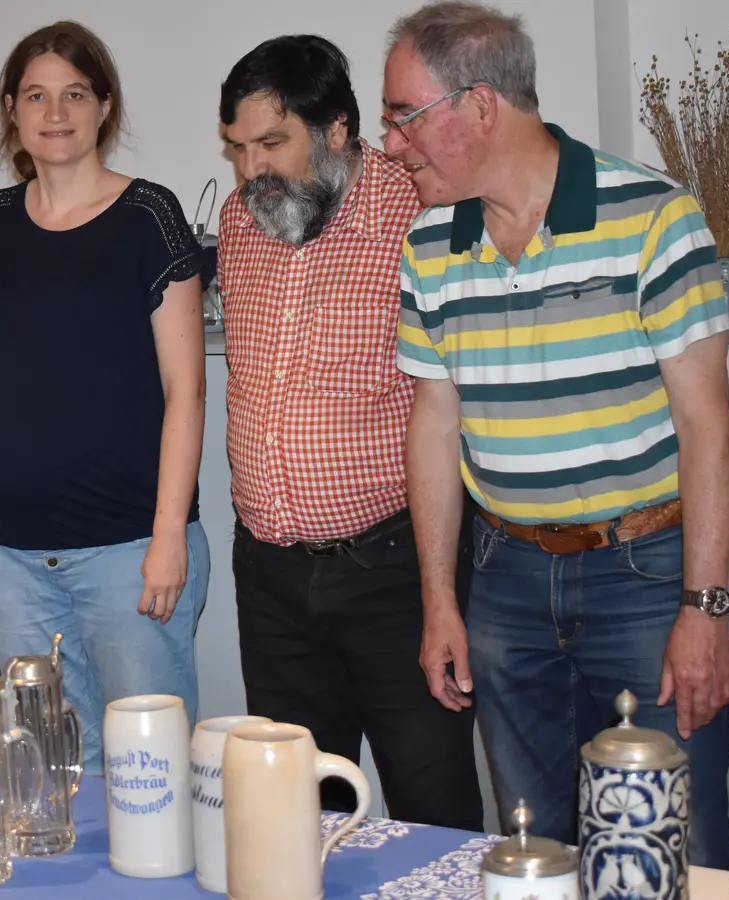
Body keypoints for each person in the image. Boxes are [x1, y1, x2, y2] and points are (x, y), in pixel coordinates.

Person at [386, 1, 729, 866]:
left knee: (672, 840)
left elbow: (707, 432)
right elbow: (433, 429)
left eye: (404, 117)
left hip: (645, 580)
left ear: (479, 106)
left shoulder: (654, 219)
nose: (391, 144)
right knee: (532, 843)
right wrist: (440, 601)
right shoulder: (430, 244)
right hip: (503, 581)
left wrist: (704, 608)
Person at [214, 35, 482, 829]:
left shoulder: (422, 212)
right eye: (236, 148)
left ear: (336, 130)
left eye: (271, 143)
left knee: (429, 808)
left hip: (394, 575)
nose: (249, 169)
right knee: (294, 818)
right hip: (270, 578)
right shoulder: (239, 221)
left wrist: (440, 596)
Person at [0, 20, 211, 772]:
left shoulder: (147, 216)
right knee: (48, 774)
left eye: (73, 94)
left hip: (129, 551)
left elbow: (185, 390)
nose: (54, 111)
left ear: (103, 107)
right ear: (11, 109)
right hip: (10, 553)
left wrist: (167, 537)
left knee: (146, 769)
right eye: (35, 95)